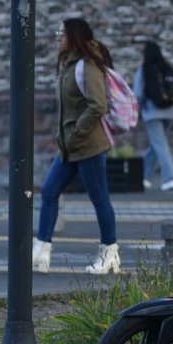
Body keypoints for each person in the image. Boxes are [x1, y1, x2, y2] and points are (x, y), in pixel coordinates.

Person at [31, 18, 120, 275]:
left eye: (62, 33)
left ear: (74, 36)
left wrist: (78, 130)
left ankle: (109, 254)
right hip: (69, 147)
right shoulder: (69, 65)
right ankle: (41, 251)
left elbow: (98, 105)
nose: (57, 37)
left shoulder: (87, 65)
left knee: (99, 198)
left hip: (89, 145)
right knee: (49, 191)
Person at [131, 41, 173, 191]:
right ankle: (143, 177)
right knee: (157, 144)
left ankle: (170, 178)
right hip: (170, 112)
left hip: (152, 112)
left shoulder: (144, 69)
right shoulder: (166, 67)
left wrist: (137, 110)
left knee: (160, 145)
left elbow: (138, 93)